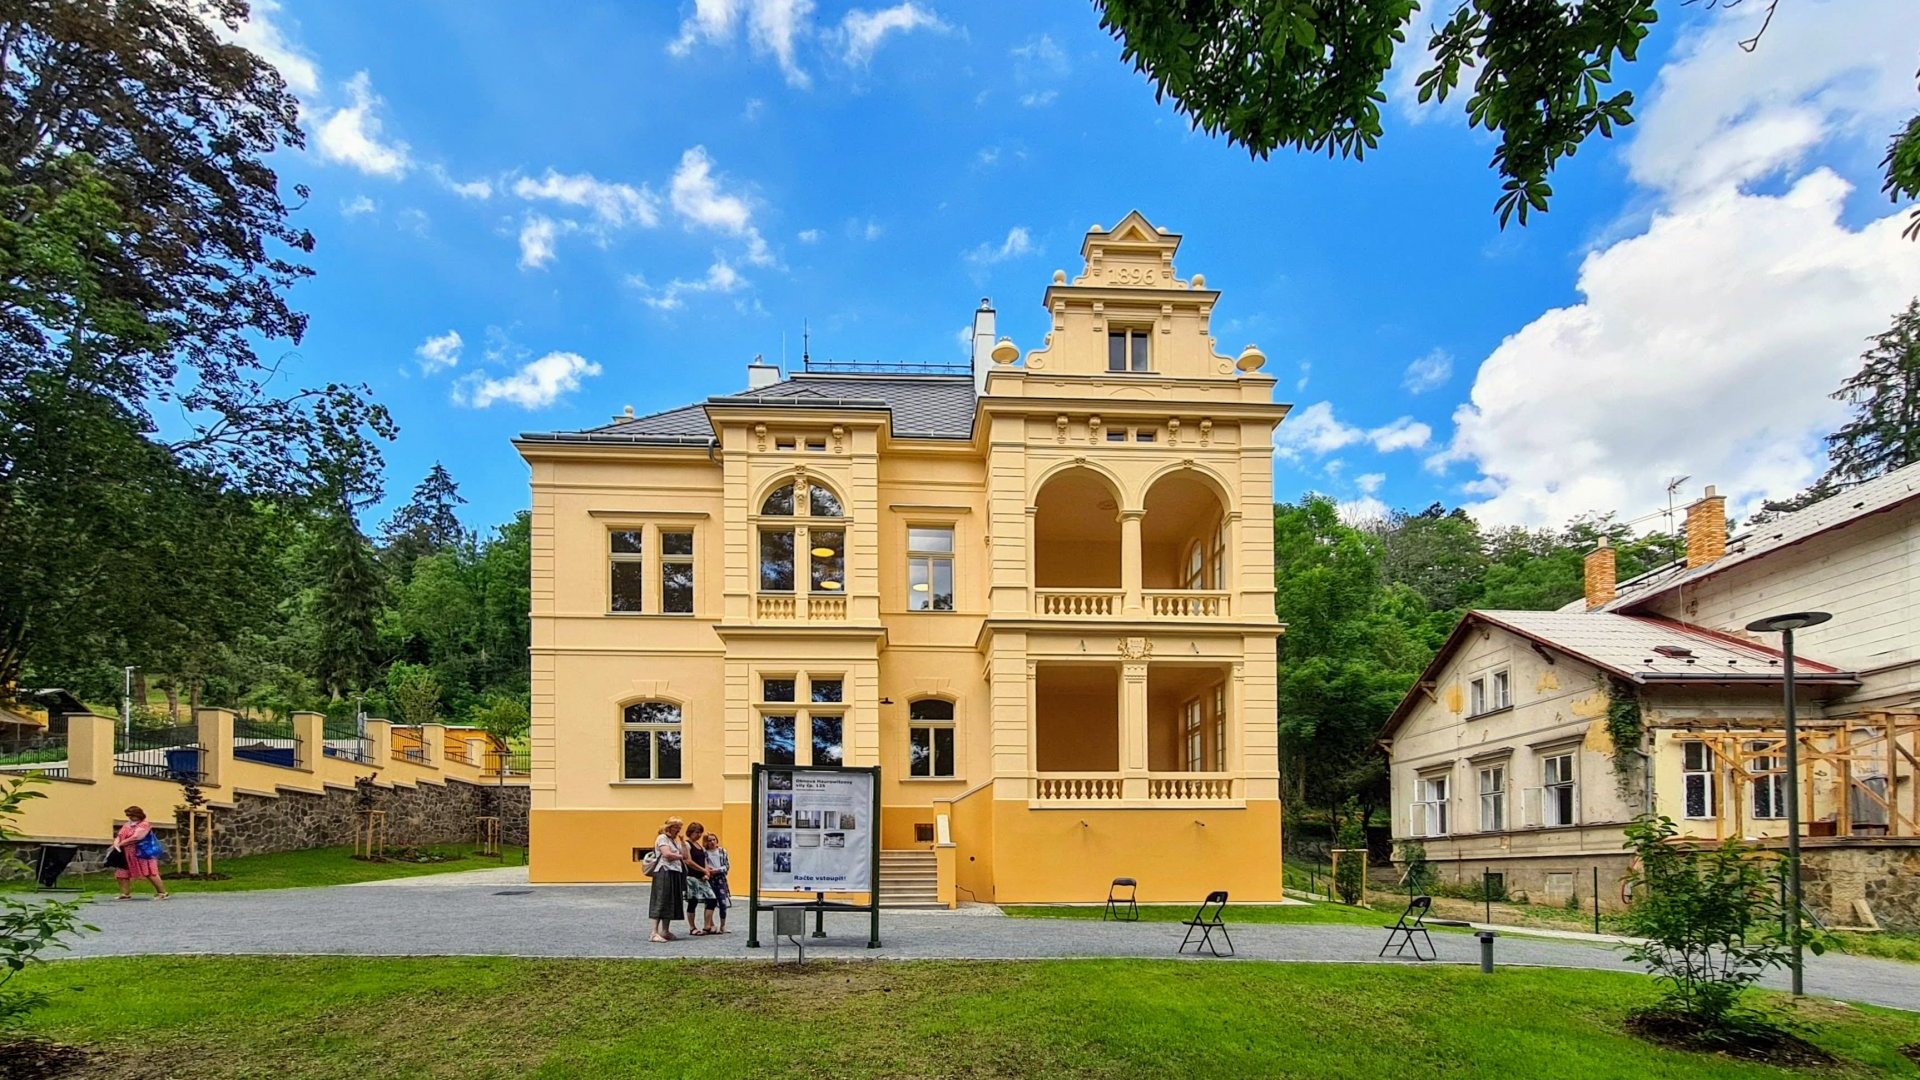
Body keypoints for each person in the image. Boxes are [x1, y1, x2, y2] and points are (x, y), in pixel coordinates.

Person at [110, 806, 168, 901]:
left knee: (150, 872)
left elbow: (137, 837)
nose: (130, 817)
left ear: (138, 815)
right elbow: (120, 835)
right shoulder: (127, 825)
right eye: (128, 815)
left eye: (132, 815)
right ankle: (125, 893)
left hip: (142, 852)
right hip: (125, 852)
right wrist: (116, 843)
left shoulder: (144, 825)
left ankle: (162, 892)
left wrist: (121, 843)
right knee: (122, 872)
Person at [648, 817, 688, 943]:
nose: (678, 830)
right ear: (669, 827)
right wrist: (680, 856)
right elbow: (667, 854)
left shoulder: (674, 841)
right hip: (664, 871)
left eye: (679, 828)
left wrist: (682, 842)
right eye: (676, 827)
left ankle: (665, 930)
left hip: (675, 872)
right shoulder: (662, 838)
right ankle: (654, 933)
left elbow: (686, 855)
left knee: (670, 901)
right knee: (661, 900)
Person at [682, 821, 716, 936]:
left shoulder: (700, 846)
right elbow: (688, 861)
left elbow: (704, 859)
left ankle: (707, 925)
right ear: (690, 832)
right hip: (691, 877)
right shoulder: (687, 844)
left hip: (702, 877)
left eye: (700, 832)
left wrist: (706, 871)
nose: (699, 835)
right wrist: (703, 869)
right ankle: (692, 927)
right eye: (697, 832)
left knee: (712, 899)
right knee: (693, 901)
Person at [702, 831, 731, 934]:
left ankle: (723, 925)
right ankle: (710, 924)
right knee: (709, 902)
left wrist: (717, 870)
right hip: (709, 878)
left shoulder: (722, 851)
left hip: (720, 878)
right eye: (709, 840)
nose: (712, 842)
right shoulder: (704, 853)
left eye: (714, 840)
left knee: (722, 902)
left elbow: (727, 866)